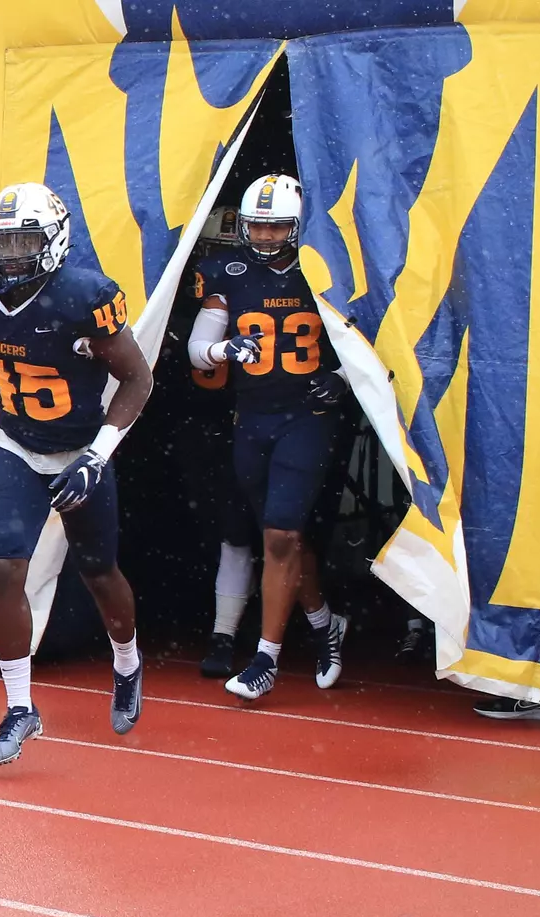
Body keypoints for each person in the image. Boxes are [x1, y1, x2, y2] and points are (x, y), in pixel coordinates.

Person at [0, 182, 153, 764]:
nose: (9, 255)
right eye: (0, 243)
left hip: (80, 448)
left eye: (23, 241)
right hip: (14, 444)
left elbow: (138, 379)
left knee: (98, 570)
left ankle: (127, 663)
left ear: (53, 242)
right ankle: (20, 706)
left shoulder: (84, 296)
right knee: (6, 568)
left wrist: (97, 455)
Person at [188, 174, 351, 702]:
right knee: (280, 534)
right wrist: (223, 352)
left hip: (306, 417)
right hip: (252, 418)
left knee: (280, 535)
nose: (262, 238)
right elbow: (197, 348)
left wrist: (342, 379)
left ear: (298, 228)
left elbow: (373, 343)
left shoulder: (325, 272)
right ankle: (325, 622)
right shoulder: (227, 274)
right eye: (256, 227)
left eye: (275, 227)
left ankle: (266, 658)